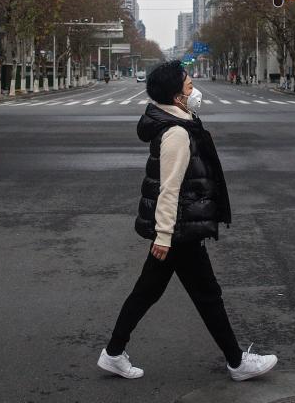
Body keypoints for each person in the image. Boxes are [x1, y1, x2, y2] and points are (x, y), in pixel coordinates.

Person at [98, 60, 277, 382]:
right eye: (190, 86)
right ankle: (237, 362)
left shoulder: (181, 122)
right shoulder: (177, 132)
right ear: (176, 96)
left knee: (148, 292)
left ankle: (113, 352)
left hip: (179, 228)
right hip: (180, 230)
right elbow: (169, 187)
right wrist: (165, 235)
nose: (195, 91)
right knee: (207, 295)